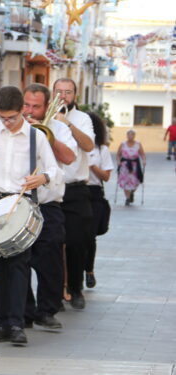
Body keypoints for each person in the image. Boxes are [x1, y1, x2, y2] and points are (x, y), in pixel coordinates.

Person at [0, 86, 60, 346]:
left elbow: (53, 169)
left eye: (12, 117)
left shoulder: (35, 137)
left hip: (22, 202)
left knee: (18, 265)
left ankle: (17, 323)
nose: (7, 123)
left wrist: (43, 177)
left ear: (22, 112)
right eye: (3, 118)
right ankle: (1, 323)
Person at [22, 84, 77, 330]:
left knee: (50, 260)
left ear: (47, 107)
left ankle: (47, 310)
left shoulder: (59, 129)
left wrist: (46, 137)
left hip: (48, 204)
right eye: (26, 105)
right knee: (19, 261)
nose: (30, 111)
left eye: (36, 106)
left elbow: (69, 158)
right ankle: (24, 311)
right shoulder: (15, 127)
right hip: (20, 203)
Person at [52, 78, 95, 310]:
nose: (63, 96)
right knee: (52, 244)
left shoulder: (82, 119)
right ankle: (56, 291)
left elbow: (88, 146)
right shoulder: (45, 116)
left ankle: (76, 288)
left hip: (75, 189)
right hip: (50, 188)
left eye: (68, 92)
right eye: (58, 91)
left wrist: (67, 124)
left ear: (75, 96)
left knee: (77, 241)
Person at [86, 112, 114, 288]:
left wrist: (92, 166)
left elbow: (106, 176)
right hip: (75, 191)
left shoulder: (101, 150)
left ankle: (89, 270)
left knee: (90, 236)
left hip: (94, 193)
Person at [117, 129, 145, 206]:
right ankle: (127, 198)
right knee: (125, 181)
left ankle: (132, 192)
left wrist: (144, 160)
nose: (130, 136)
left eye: (132, 135)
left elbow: (142, 154)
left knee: (136, 181)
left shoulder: (138, 144)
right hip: (125, 165)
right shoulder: (123, 144)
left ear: (134, 136)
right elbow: (118, 154)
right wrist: (118, 161)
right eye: (129, 135)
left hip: (135, 166)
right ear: (127, 136)